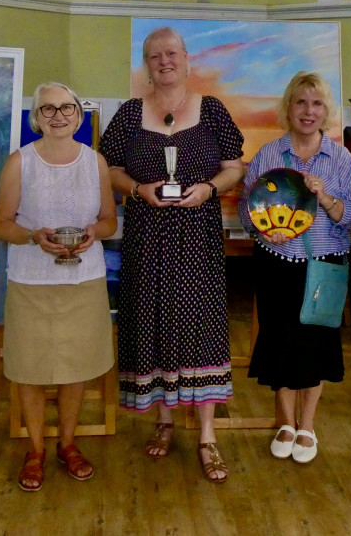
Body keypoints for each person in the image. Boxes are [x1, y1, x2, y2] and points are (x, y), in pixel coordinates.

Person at [99, 26, 244, 483]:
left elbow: (235, 165)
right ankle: (162, 420)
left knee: (198, 326)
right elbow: (111, 169)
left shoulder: (212, 110)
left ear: (186, 58)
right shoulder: (128, 114)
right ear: (147, 64)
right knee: (152, 322)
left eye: (171, 53)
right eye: (154, 55)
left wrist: (209, 189)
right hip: (146, 235)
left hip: (197, 235)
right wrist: (138, 189)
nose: (163, 61)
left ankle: (206, 434)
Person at [0, 82, 116, 491]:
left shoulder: (95, 161)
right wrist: (33, 237)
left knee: (76, 367)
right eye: (48, 109)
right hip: (31, 279)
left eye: (67, 108)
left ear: (79, 116)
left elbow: (109, 221)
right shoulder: (20, 163)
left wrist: (91, 233)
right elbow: (1, 224)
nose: (58, 115)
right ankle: (35, 449)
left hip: (83, 278)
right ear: (36, 118)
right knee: (29, 368)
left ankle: (67, 443)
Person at [237, 71, 351, 465]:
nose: (309, 111)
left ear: (327, 112)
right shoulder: (269, 155)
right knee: (279, 341)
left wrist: (324, 197)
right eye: (301, 102)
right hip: (276, 262)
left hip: (322, 265)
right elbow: (247, 208)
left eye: (317, 103)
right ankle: (285, 423)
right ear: (288, 108)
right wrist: (262, 232)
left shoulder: (340, 158)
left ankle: (308, 425)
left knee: (315, 347)